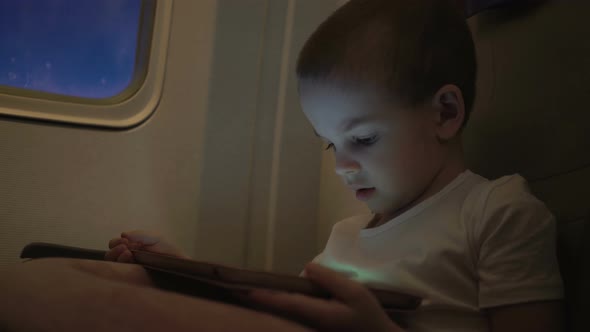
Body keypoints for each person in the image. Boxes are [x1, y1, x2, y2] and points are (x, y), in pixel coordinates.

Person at [106, 0, 564, 331]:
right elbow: (274, 313)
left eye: (362, 139)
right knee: (103, 281)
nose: (342, 165)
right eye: (329, 146)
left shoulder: (495, 213)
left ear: (444, 113)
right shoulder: (345, 236)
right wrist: (186, 275)